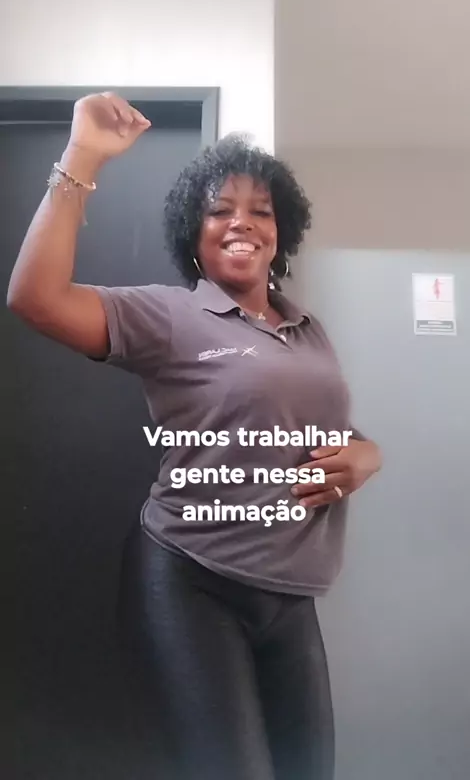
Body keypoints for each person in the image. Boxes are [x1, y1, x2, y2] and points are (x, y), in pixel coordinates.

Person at [7, 92, 382, 780]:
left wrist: (366, 456)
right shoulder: (170, 316)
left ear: (281, 231)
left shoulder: (307, 330)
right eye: (220, 210)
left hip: (291, 594)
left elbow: (337, 432)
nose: (242, 222)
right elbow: (35, 297)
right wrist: (83, 154)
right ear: (194, 231)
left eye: (261, 211)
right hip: (192, 581)